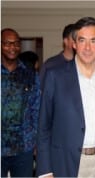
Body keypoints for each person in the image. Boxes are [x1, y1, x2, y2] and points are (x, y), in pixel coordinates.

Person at [36, 17, 95, 177]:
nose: (88, 47)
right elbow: (43, 126)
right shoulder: (55, 76)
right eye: (82, 40)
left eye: (93, 41)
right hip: (67, 162)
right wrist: (45, 170)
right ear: (74, 44)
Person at [1, 28, 41, 177]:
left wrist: (37, 141)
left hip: (24, 146)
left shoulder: (30, 74)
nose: (13, 47)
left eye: (16, 43)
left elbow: (36, 109)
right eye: (7, 43)